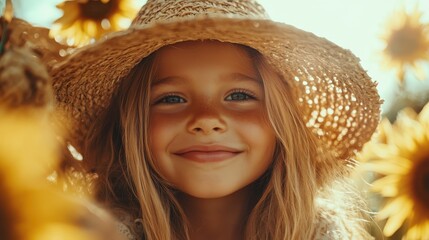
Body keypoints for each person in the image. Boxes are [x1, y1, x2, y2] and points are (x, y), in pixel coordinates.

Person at [51, 0, 382, 239]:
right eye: (171, 98)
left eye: (239, 96)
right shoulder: (99, 233)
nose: (206, 120)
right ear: (130, 126)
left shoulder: (320, 234)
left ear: (283, 122)